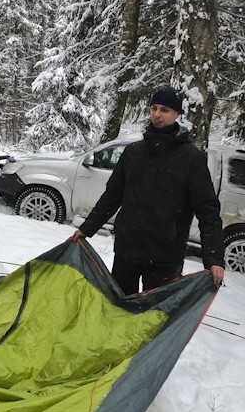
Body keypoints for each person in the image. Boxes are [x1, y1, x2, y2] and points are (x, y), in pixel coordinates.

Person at [74, 85, 225, 295]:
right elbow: (112, 196)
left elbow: (207, 210)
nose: (157, 114)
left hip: (165, 257)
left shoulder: (191, 159)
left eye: (164, 109)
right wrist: (86, 229)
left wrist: (214, 258)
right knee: (118, 311)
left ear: (177, 114)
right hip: (127, 251)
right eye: (154, 108)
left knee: (153, 319)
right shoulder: (133, 153)